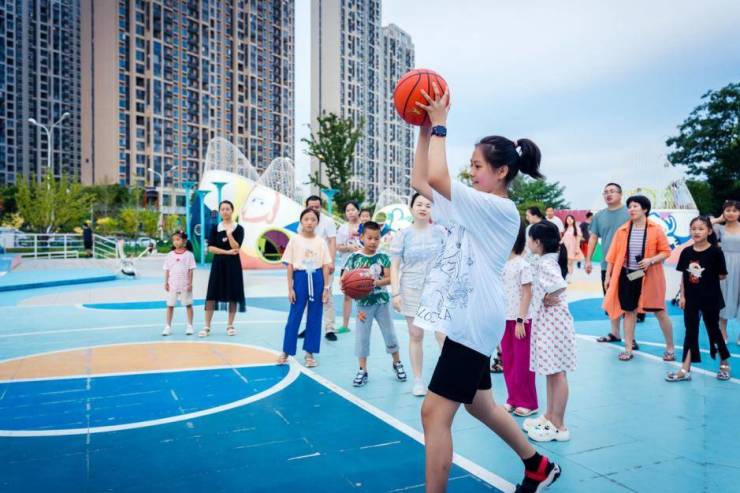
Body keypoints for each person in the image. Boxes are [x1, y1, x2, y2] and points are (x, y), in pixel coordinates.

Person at [411, 84, 560, 493]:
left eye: (478, 165)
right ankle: (538, 466)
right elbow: (421, 179)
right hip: (471, 314)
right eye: (471, 165)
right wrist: (424, 130)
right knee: (481, 405)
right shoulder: (475, 202)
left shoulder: (497, 207)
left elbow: (436, 176)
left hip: (475, 319)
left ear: (502, 171)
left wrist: (440, 124)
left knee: (433, 413)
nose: (472, 172)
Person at [603, 195, 676, 361]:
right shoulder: (622, 230)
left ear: (645, 209)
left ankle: (670, 348)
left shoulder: (656, 229)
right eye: (629, 206)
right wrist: (608, 276)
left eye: (635, 206)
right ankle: (628, 349)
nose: (631, 209)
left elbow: (666, 252)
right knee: (629, 312)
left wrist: (651, 260)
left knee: (659, 311)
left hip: (649, 275)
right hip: (630, 274)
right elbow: (612, 256)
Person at [390, 192, 447, 396]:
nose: (423, 208)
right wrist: (395, 293)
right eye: (419, 204)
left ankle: (447, 379)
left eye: (428, 205)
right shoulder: (402, 235)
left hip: (437, 289)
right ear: (411, 208)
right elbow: (394, 266)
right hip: (410, 289)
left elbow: (451, 260)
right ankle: (418, 380)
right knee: (416, 335)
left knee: (442, 334)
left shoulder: (441, 232)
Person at [523, 221, 575, 442]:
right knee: (552, 371)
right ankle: (550, 415)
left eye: (530, 238)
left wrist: (548, 297)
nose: (528, 242)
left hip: (553, 323)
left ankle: (559, 425)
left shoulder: (546, 263)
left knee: (557, 373)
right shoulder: (546, 259)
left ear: (538, 242)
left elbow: (559, 285)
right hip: (550, 322)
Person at [342, 221, 407, 387]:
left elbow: (391, 278)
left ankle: (397, 363)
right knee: (362, 337)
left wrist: (375, 283)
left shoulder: (383, 257)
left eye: (376, 238)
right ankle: (362, 370)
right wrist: (346, 286)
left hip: (381, 302)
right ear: (362, 237)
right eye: (369, 238)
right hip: (363, 305)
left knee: (390, 334)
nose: (373, 241)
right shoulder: (354, 258)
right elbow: (345, 278)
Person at [668, 216, 731, 381]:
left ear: (709, 231)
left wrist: (705, 275)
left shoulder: (716, 252)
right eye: (693, 228)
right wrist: (683, 296)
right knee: (690, 332)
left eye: (701, 228)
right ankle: (685, 369)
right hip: (691, 299)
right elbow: (684, 276)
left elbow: (722, 275)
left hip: (710, 298)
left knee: (714, 331)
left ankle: (724, 363)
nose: (696, 232)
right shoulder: (686, 252)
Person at [278, 209, 332, 367]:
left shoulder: (321, 242)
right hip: (300, 278)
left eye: (313, 219)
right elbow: (289, 265)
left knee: (315, 316)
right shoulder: (295, 240)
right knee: (294, 316)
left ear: (317, 223)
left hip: (317, 278)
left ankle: (310, 353)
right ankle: (286, 351)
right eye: (306, 219)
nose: (309, 222)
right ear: (301, 221)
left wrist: (326, 288)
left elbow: (326, 266)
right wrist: (290, 288)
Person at [586, 183, 637, 345]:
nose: (608, 194)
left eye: (612, 191)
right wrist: (588, 260)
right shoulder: (599, 216)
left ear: (620, 194)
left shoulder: (630, 212)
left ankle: (631, 338)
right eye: (606, 192)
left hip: (630, 266)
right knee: (611, 299)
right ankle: (615, 333)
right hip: (607, 266)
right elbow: (593, 238)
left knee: (629, 302)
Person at [500, 221, 537, 417]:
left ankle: (529, 402)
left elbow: (527, 293)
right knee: (508, 360)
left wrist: (520, 320)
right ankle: (513, 398)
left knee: (523, 363)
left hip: (521, 321)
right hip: (504, 319)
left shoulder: (522, 264)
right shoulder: (500, 263)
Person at [200, 200, 245, 337]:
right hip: (218, 265)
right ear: (219, 212)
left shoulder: (239, 229)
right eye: (222, 209)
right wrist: (227, 252)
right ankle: (207, 326)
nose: (225, 211)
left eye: (227, 209)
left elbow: (236, 247)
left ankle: (230, 325)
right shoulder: (215, 228)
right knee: (212, 294)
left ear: (232, 210)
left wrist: (229, 234)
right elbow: (211, 248)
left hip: (233, 266)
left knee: (233, 295)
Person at [297, 195, 338, 341]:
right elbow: (300, 242)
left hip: (325, 265)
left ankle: (329, 328)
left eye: (317, 207)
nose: (314, 209)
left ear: (321, 207)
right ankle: (309, 327)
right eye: (311, 206)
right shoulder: (303, 221)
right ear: (306, 207)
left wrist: (331, 261)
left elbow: (332, 242)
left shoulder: (328, 221)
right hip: (308, 266)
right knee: (309, 296)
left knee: (327, 296)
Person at [714, 199, 740, 345]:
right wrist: (718, 219)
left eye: (735, 210)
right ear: (723, 212)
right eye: (728, 210)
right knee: (723, 298)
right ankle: (723, 333)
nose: (731, 213)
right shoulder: (719, 228)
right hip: (724, 267)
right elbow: (701, 225)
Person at [162, 230, 196, 336]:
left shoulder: (189, 255)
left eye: (178, 239)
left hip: (185, 285)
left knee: (188, 305)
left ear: (184, 241)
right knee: (170, 305)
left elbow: (191, 270)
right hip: (172, 285)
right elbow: (167, 270)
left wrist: (190, 284)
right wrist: (166, 283)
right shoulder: (169, 255)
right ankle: (167, 326)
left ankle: (190, 326)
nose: (175, 242)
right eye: (174, 240)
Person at [335, 201, 362, 334]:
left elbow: (373, 243)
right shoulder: (343, 228)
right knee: (347, 297)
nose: (350, 212)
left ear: (358, 211)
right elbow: (338, 246)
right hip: (347, 266)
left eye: (353, 209)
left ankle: (364, 324)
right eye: (347, 210)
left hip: (363, 265)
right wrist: (349, 247)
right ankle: (345, 325)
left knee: (364, 296)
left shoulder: (365, 226)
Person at [560, 214, 583, 280]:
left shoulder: (577, 228)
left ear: (573, 220)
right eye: (568, 219)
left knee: (570, 263)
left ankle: (570, 277)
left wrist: (577, 249)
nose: (569, 220)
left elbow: (578, 239)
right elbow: (563, 239)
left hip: (572, 248)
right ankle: (566, 276)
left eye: (571, 219)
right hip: (565, 249)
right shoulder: (566, 229)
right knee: (566, 263)